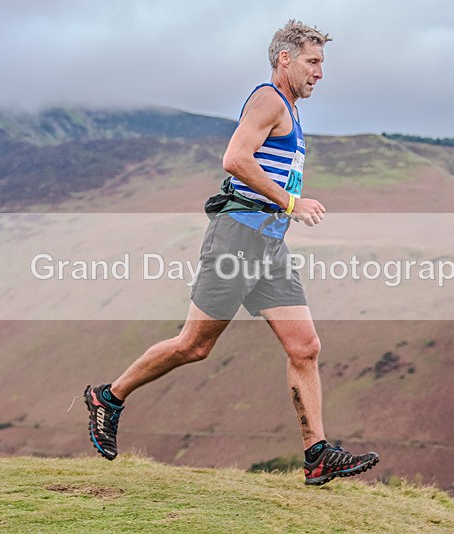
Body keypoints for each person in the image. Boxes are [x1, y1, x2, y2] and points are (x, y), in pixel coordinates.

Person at [85, 19, 378, 486]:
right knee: (194, 345)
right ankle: (109, 397)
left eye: (322, 63)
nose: (320, 73)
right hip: (238, 236)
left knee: (305, 347)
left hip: (269, 244)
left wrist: (285, 209)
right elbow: (235, 159)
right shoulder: (269, 99)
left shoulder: (291, 109)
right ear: (285, 59)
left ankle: (317, 455)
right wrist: (291, 203)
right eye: (312, 62)